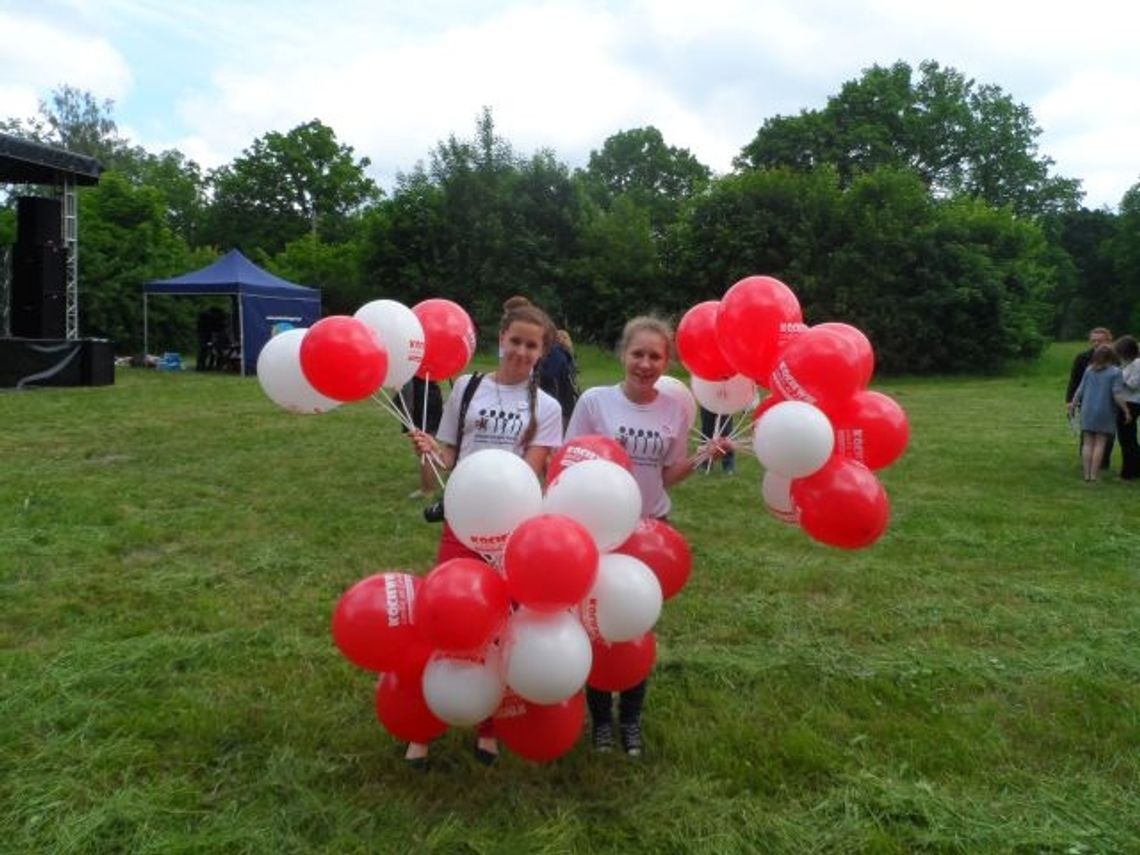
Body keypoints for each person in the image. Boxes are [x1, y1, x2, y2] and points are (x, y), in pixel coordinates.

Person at [405, 301, 564, 767]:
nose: (520, 351)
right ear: (501, 339)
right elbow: (444, 463)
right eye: (515, 340)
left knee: (499, 627)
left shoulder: (548, 407)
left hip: (511, 535)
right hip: (460, 523)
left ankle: (490, 726)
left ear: (542, 352)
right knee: (443, 616)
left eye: (531, 345)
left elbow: (528, 475)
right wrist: (430, 452)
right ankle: (422, 725)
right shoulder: (467, 389)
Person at [564, 315, 729, 757]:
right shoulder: (595, 402)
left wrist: (701, 457)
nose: (645, 363)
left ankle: (631, 719)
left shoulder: (675, 409)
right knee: (597, 624)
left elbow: (665, 474)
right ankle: (601, 721)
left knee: (637, 625)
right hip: (600, 533)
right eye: (638, 353)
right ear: (623, 355)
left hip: (651, 532)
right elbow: (569, 464)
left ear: (666, 361)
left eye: (655, 356)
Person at [1068, 344, 1130, 482]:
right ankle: (1094, 476)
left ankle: (1086, 475)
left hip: (1087, 409)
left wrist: (1073, 403)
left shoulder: (1089, 370)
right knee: (1100, 443)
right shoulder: (1115, 372)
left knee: (1087, 443)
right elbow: (1117, 394)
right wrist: (1126, 410)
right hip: (1105, 410)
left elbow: (1080, 389)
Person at [1067, 327, 1115, 469]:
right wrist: (1070, 401)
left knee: (1107, 434)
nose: (1096, 344)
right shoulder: (1082, 358)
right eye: (1093, 340)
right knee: (1087, 431)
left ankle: (1103, 462)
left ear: (1108, 341)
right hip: (1087, 399)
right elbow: (1074, 381)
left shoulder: (1115, 359)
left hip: (1109, 401)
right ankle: (1086, 463)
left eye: (1100, 341)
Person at [396, 376, 443, 498]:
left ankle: (427, 489)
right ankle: (429, 486)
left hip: (422, 399)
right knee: (426, 443)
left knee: (425, 447)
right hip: (426, 395)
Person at [538, 328, 580, 429]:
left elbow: (551, 374)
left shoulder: (556, 353)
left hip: (557, 396)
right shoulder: (568, 354)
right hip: (567, 397)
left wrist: (535, 369)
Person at [1114, 335, 1140, 480]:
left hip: (1132, 403)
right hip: (1128, 402)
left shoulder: (1137, 364)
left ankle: (1127, 473)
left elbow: (1133, 384)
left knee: (1127, 439)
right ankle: (1135, 468)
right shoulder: (1129, 364)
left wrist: (1117, 379)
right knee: (1129, 439)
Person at [698, 405, 737, 474]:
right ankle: (705, 461)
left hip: (726, 399)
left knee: (725, 429)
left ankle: (728, 462)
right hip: (708, 399)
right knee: (707, 429)